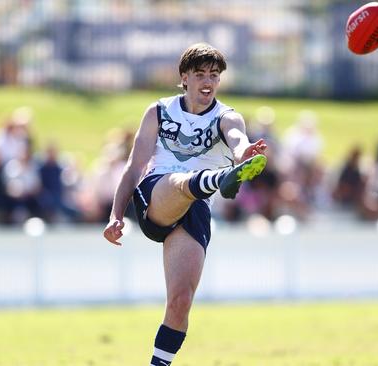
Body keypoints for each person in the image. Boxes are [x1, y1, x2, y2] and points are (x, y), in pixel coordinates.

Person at [102, 43, 267, 366]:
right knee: (182, 183)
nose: (208, 81)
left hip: (194, 206)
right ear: (184, 78)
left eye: (215, 75)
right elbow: (135, 167)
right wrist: (115, 215)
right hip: (155, 195)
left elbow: (237, 139)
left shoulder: (227, 116)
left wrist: (245, 152)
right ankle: (219, 179)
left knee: (180, 302)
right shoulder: (159, 111)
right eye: (201, 74)